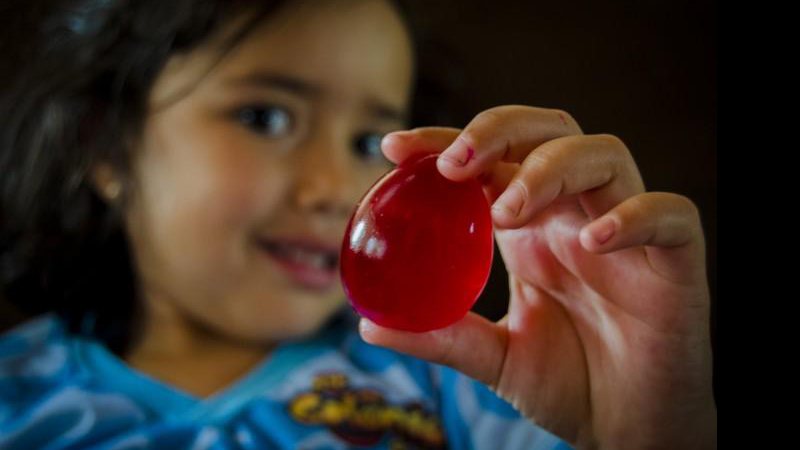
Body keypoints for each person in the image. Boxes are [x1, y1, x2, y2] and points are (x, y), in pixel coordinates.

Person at [0, 0, 717, 448]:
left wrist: (637, 437)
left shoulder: (466, 394)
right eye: (265, 118)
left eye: (368, 141)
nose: (335, 188)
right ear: (105, 147)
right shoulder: (16, 394)